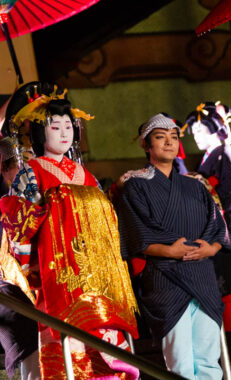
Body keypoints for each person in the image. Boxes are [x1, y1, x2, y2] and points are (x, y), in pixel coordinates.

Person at [0, 89, 139, 379]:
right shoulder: (31, 172)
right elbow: (18, 225)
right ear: (40, 132)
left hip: (96, 274)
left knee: (104, 338)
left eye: (68, 127)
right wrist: (31, 269)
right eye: (55, 127)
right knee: (67, 342)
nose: (64, 134)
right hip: (57, 273)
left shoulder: (84, 174)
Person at [116, 113, 231, 379]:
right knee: (179, 364)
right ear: (146, 145)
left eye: (174, 137)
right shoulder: (134, 186)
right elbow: (135, 232)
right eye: (160, 137)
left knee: (208, 362)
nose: (169, 143)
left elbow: (216, 226)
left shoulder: (196, 186)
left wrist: (211, 249)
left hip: (202, 276)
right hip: (165, 278)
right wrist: (168, 251)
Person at [185, 101, 231, 331]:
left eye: (200, 130)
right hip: (213, 229)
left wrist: (209, 209)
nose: (196, 136)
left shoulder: (225, 155)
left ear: (214, 127)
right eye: (194, 132)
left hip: (227, 226)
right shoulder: (209, 158)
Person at [0, 137, 40, 380]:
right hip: (9, 290)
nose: (28, 171)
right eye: (20, 164)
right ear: (4, 169)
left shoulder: (40, 198)